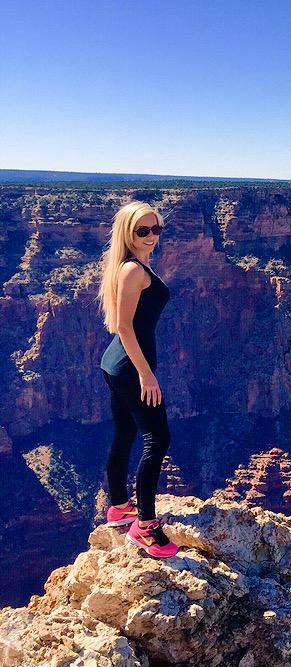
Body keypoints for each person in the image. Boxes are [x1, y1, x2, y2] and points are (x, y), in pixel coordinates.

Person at [96, 200, 179, 558]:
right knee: (157, 438)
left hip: (116, 363)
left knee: (126, 433)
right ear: (128, 233)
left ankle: (118, 507)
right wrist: (147, 375)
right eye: (142, 230)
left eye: (156, 229)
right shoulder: (132, 270)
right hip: (131, 368)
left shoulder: (134, 265)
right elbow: (125, 326)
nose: (150, 236)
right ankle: (144, 527)